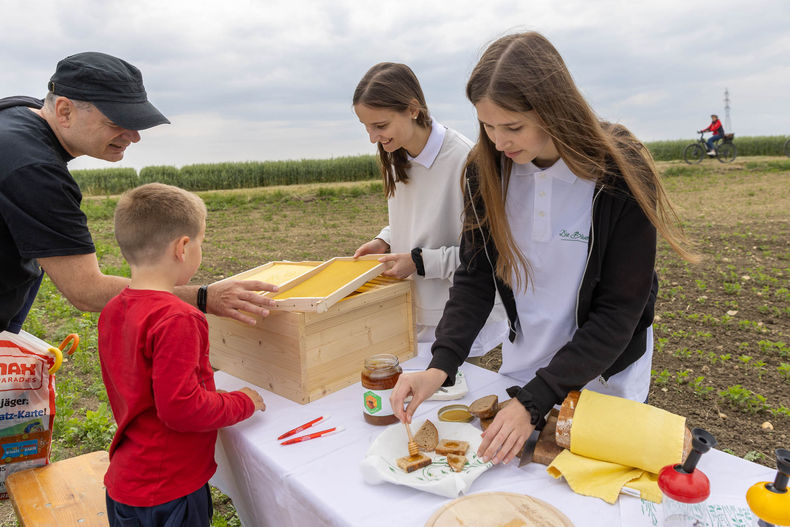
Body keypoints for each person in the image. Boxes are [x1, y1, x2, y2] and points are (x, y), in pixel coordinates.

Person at [390, 32, 698, 466]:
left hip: (604, 374)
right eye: (488, 126)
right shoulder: (488, 170)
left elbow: (619, 312)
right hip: (526, 365)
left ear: (554, 110)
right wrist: (441, 364)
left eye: (513, 127)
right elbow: (475, 277)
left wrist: (536, 400)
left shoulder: (617, 172)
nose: (498, 141)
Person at [0, 51, 276, 334]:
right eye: (116, 122)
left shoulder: (16, 113)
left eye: (136, 122)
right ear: (64, 111)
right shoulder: (34, 170)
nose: (134, 136)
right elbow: (86, 289)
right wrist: (206, 297)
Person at [97, 183, 266, 527]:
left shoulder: (113, 309)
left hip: (128, 483)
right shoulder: (178, 317)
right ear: (183, 247)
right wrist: (243, 402)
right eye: (201, 242)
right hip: (169, 492)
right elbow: (181, 409)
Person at [352, 62, 506, 355]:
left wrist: (419, 261)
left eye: (380, 125)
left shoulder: (466, 161)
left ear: (412, 109)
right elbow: (412, 216)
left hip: (464, 322)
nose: (373, 137)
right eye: (367, 127)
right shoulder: (395, 155)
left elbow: (485, 256)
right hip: (417, 311)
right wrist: (384, 240)